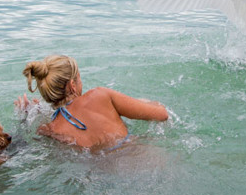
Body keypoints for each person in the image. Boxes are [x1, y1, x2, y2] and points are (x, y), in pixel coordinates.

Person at [15, 55, 168, 149]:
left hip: (103, 177)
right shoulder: (100, 96)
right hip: (142, 159)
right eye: (79, 77)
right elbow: (162, 115)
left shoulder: (48, 129)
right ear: (72, 85)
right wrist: (144, 102)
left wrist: (27, 117)